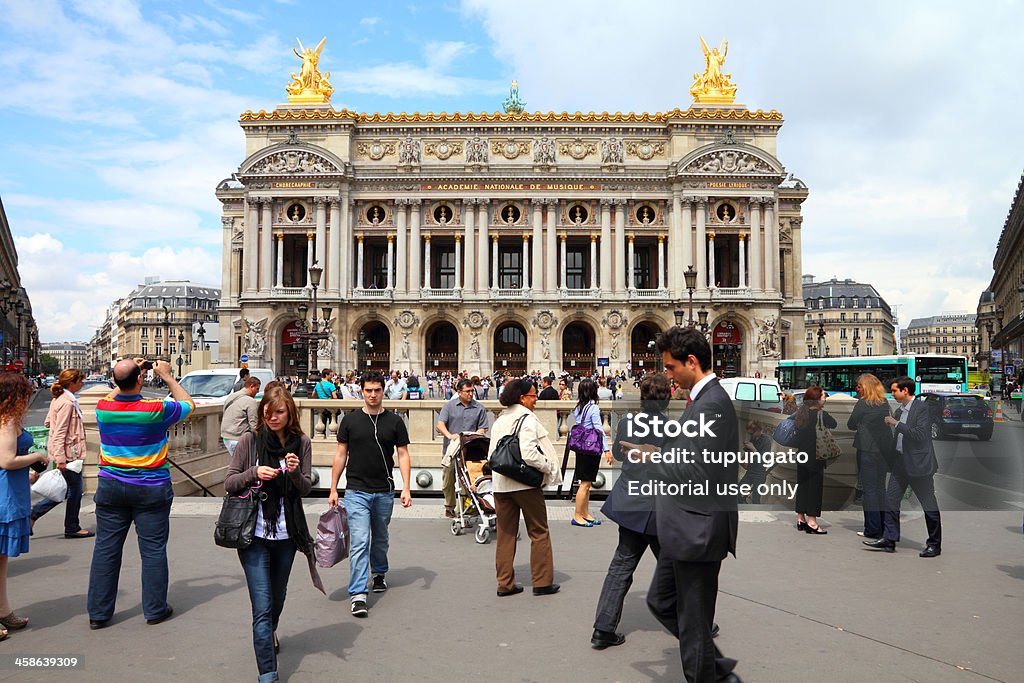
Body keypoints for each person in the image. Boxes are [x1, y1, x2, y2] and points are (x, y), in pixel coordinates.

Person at [626, 326, 739, 682]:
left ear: (691, 362)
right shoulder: (703, 402)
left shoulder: (713, 404)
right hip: (684, 529)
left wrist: (650, 459)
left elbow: (696, 469)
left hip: (698, 529)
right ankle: (715, 667)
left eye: (672, 368)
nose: (669, 377)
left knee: (692, 620)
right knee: (662, 602)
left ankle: (710, 673)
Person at [87, 357, 193, 630]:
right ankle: (155, 609)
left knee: (105, 551)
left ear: (114, 381)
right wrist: (168, 377)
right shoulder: (155, 409)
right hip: (150, 488)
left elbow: (115, 394)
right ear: (140, 380)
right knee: (153, 550)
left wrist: (127, 373)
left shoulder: (104, 408)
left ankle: (99, 613)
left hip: (110, 486)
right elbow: (188, 405)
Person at [224, 385, 315, 683]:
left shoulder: (301, 443)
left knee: (277, 598)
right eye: (268, 411)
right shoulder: (249, 441)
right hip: (254, 535)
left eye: (279, 412)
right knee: (261, 607)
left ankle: (270, 631)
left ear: (290, 415)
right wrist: (254, 473)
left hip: (287, 536)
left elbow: (305, 489)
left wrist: (294, 472)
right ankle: (268, 673)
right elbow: (230, 482)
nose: (272, 417)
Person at [591, 374, 670, 650]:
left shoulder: (628, 422)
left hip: (632, 501)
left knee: (621, 565)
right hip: (658, 505)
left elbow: (620, 454)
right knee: (676, 568)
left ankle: (603, 628)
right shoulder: (673, 428)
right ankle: (700, 624)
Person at [328, 372, 412, 618]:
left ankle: (379, 572)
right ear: (361, 391)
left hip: (384, 491)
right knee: (361, 540)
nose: (373, 394)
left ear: (383, 391)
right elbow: (340, 454)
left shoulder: (394, 422)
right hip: (356, 490)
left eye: (377, 390)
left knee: (380, 537)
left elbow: (403, 455)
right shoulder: (350, 421)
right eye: (368, 390)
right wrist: (333, 488)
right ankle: (358, 595)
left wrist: (406, 487)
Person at [489, 378, 562, 597]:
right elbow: (529, 453)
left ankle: (505, 583)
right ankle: (541, 581)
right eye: (533, 395)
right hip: (525, 484)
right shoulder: (527, 419)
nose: (536, 399)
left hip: (502, 484)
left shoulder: (500, 420)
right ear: (522, 398)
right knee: (539, 531)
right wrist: (547, 466)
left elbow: (492, 453)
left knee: (505, 534)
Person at [865, 376, 942, 557]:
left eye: (894, 390)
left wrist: (896, 423)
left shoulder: (921, 408)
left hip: (918, 465)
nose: (892, 393)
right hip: (900, 463)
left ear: (905, 391)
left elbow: (920, 435)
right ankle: (889, 539)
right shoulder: (900, 410)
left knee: (928, 504)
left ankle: (934, 544)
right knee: (891, 500)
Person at [0, 373, 48, 638]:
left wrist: (26, 471)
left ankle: (4, 610)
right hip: (4, 496)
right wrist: (36, 456)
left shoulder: (6, 419)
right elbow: (6, 460)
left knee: (1, 558)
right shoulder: (7, 421)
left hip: (10, 490)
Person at [29, 369, 93, 538]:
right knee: (74, 491)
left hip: (64, 452)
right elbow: (59, 431)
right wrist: (61, 458)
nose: (83, 384)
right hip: (68, 454)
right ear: (72, 383)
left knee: (65, 490)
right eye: (81, 381)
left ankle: (35, 515)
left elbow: (49, 422)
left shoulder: (59, 399)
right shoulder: (68, 403)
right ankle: (71, 526)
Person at [847, 374, 895, 540]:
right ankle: (882, 527)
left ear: (866, 387)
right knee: (881, 489)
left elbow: (850, 424)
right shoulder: (884, 403)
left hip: (867, 450)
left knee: (869, 491)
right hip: (883, 452)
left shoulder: (862, 403)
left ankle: (872, 529)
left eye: (859, 386)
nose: (857, 389)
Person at [436, 379, 489, 518]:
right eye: (468, 391)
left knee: (467, 480)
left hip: (470, 451)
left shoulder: (479, 408)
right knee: (448, 479)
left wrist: (476, 434)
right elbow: (440, 424)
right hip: (451, 449)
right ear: (459, 392)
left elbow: (483, 428)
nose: (471, 394)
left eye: (472, 391)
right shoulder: (449, 406)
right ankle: (449, 506)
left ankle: (465, 508)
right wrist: (449, 435)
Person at [792, 386, 836, 535]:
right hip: (816, 455)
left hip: (801, 455)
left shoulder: (800, 413)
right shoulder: (821, 415)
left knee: (802, 486)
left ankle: (800, 519)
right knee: (815, 489)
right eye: (823, 396)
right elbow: (834, 424)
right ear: (817, 399)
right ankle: (812, 521)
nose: (825, 399)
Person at [569, 379, 612, 527]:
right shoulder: (593, 408)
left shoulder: (579, 407)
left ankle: (585, 513)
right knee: (586, 484)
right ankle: (577, 515)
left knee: (585, 482)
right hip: (591, 447)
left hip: (582, 447)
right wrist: (606, 449)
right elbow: (599, 430)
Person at [221, 377, 262, 456]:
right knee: (245, 465)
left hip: (226, 437)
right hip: (239, 437)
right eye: (257, 389)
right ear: (251, 386)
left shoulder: (231, 397)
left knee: (237, 462)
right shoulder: (250, 401)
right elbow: (253, 424)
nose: (258, 392)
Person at [738, 420, 770, 504]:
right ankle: (742, 504)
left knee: (755, 499)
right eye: (749, 434)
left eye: (752, 434)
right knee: (736, 491)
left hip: (759, 473)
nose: (751, 435)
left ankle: (756, 514)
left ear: (759, 430)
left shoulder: (766, 441)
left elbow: (764, 459)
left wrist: (754, 450)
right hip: (750, 471)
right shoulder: (754, 438)